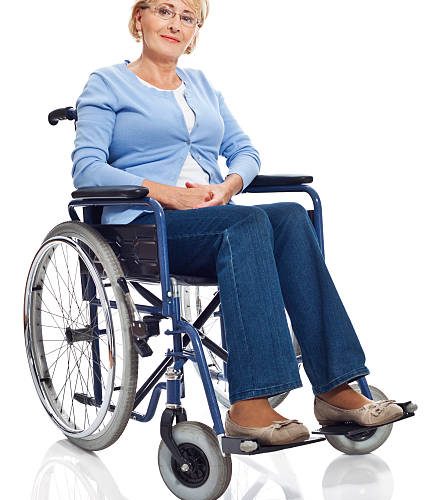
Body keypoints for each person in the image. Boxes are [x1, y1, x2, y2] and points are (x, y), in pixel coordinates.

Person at [71, 0, 403, 445]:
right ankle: (250, 404)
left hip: (215, 216)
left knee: (287, 215)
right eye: (165, 11)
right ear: (139, 18)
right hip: (144, 227)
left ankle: (335, 385)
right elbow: (88, 168)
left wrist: (226, 187)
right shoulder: (107, 84)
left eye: (187, 17)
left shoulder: (203, 86)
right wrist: (166, 193)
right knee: (243, 226)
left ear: (196, 32)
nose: (175, 24)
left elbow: (245, 151)